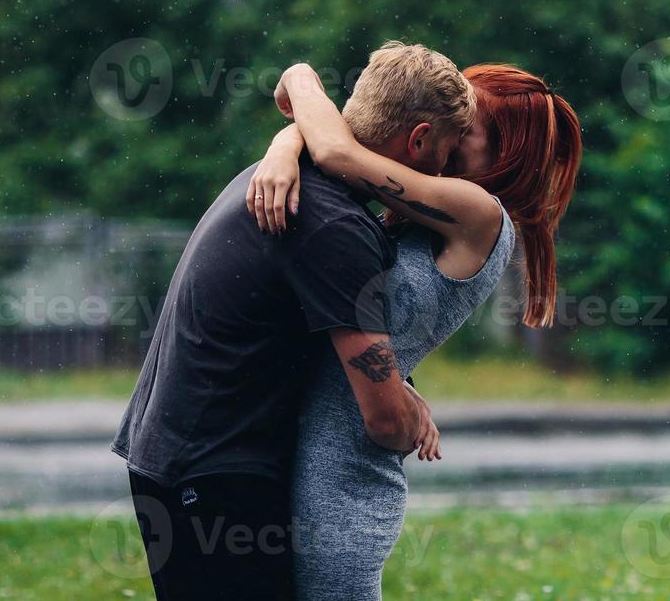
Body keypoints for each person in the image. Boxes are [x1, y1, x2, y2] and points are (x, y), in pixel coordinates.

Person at [111, 42, 475, 600]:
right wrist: (410, 417)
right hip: (216, 471)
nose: (447, 171)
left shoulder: (290, 177)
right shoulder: (338, 228)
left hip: (181, 455)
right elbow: (381, 420)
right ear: (419, 138)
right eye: (447, 151)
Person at [247, 57, 582, 599]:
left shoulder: (481, 214)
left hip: (342, 492)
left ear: (504, 153)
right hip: (302, 466)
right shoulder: (424, 214)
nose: (443, 140)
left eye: (465, 131)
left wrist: (302, 82)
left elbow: (337, 152)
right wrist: (285, 147)